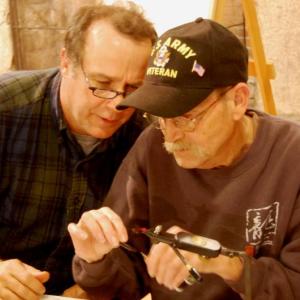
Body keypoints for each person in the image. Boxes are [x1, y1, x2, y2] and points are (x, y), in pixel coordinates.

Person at [68, 18, 300, 300]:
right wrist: (95, 260)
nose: (171, 137)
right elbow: (126, 284)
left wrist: (227, 264)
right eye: (159, 118)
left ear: (238, 100)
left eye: (185, 118)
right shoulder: (154, 145)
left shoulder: (291, 157)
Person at [0, 2, 156, 299]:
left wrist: (93, 285)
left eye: (134, 88)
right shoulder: (6, 108)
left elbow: (139, 251)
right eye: (101, 84)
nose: (116, 104)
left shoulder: (146, 137)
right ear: (66, 61)